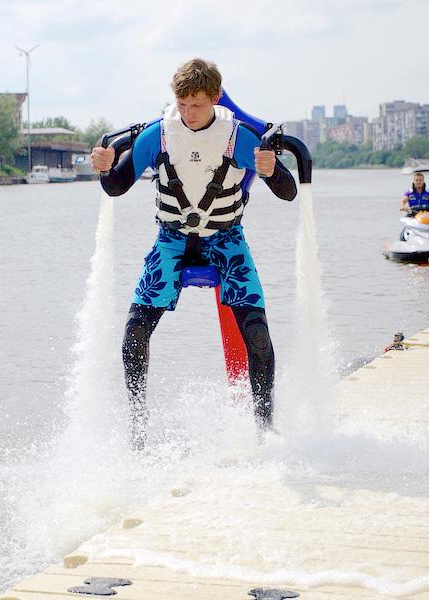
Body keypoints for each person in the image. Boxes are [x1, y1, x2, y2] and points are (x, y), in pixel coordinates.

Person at [90, 58, 298, 450]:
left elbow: (289, 192)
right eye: (181, 104)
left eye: (197, 105)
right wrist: (104, 169)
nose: (187, 113)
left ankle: (265, 430)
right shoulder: (159, 135)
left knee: (256, 332)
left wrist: (272, 171)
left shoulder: (239, 137)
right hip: (171, 239)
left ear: (215, 99)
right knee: (135, 331)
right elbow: (116, 187)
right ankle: (137, 430)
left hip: (226, 240)